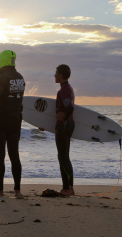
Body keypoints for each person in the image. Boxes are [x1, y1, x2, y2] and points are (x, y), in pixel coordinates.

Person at [0, 50, 25, 198]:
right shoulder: (20, 78)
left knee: (0, 155)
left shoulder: (0, 79)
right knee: (14, 155)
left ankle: (0, 190)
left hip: (1, 121)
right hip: (15, 121)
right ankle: (17, 191)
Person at [40, 64, 75, 196]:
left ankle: (67, 188)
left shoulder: (63, 90)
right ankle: (69, 188)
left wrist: (64, 117)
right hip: (67, 125)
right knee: (65, 157)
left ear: (60, 75)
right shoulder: (68, 88)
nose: (54, 75)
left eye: (56, 73)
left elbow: (70, 107)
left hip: (64, 126)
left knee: (62, 157)